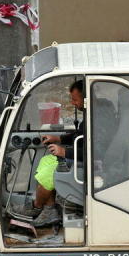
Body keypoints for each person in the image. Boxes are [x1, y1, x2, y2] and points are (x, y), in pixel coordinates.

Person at [19, 79, 86, 228]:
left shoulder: (99, 117)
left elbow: (94, 151)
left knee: (48, 172)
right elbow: (79, 134)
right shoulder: (91, 114)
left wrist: (64, 151)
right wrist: (58, 138)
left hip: (89, 163)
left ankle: (37, 206)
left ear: (86, 98)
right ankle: (49, 210)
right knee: (46, 161)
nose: (73, 103)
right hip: (78, 155)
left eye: (75, 99)